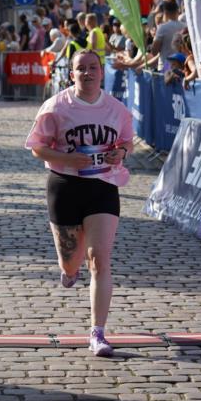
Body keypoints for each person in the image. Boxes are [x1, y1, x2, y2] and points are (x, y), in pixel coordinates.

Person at [25, 49, 134, 357]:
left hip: (103, 185)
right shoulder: (56, 107)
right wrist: (67, 158)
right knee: (71, 262)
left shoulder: (116, 109)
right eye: (80, 69)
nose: (87, 73)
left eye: (93, 68)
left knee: (99, 258)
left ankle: (97, 333)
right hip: (65, 186)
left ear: (102, 72)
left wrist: (121, 153)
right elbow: (37, 148)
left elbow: (127, 140)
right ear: (71, 74)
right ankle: (69, 270)